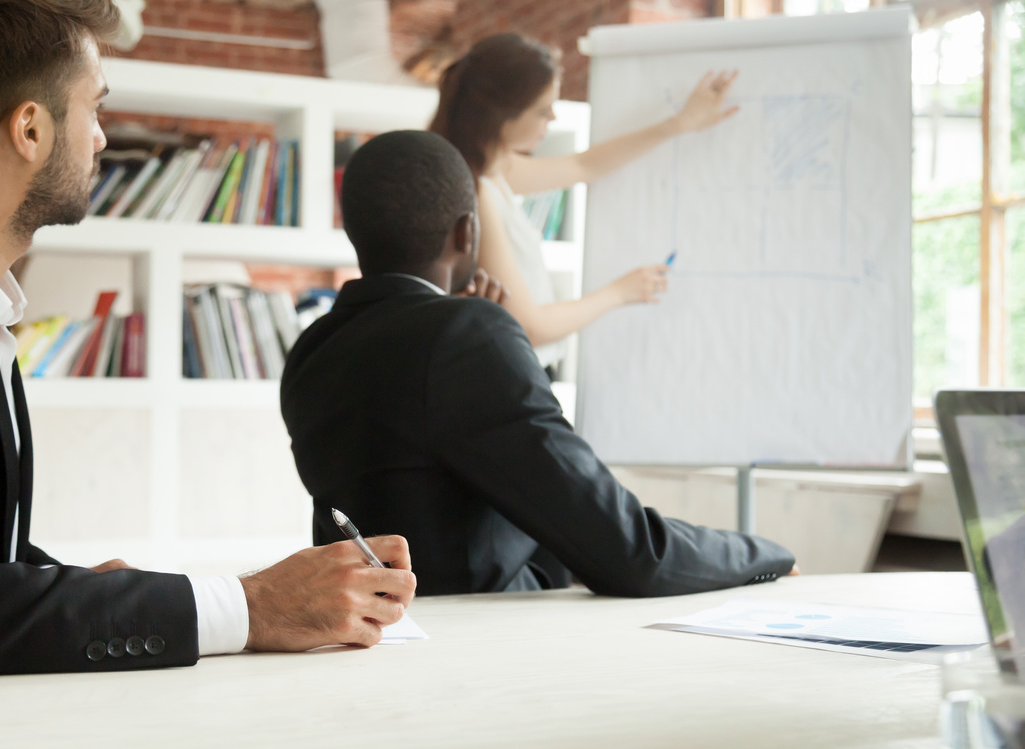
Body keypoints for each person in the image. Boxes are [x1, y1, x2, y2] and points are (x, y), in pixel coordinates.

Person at [0, 0, 415, 680]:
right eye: (95, 108)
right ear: (30, 127)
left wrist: (106, 597)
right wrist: (248, 607)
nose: (102, 139)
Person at [281, 130, 796, 597]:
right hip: (488, 649)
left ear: (352, 231)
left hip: (375, 638)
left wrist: (465, 321)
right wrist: (767, 555)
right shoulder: (470, 337)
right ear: (466, 232)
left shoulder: (311, 351)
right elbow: (630, 552)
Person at [429, 33, 739, 374]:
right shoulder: (478, 190)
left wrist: (678, 125)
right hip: (513, 373)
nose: (554, 120)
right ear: (503, 117)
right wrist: (620, 293)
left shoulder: (495, 169)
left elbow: (584, 166)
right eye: (543, 111)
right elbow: (529, 326)